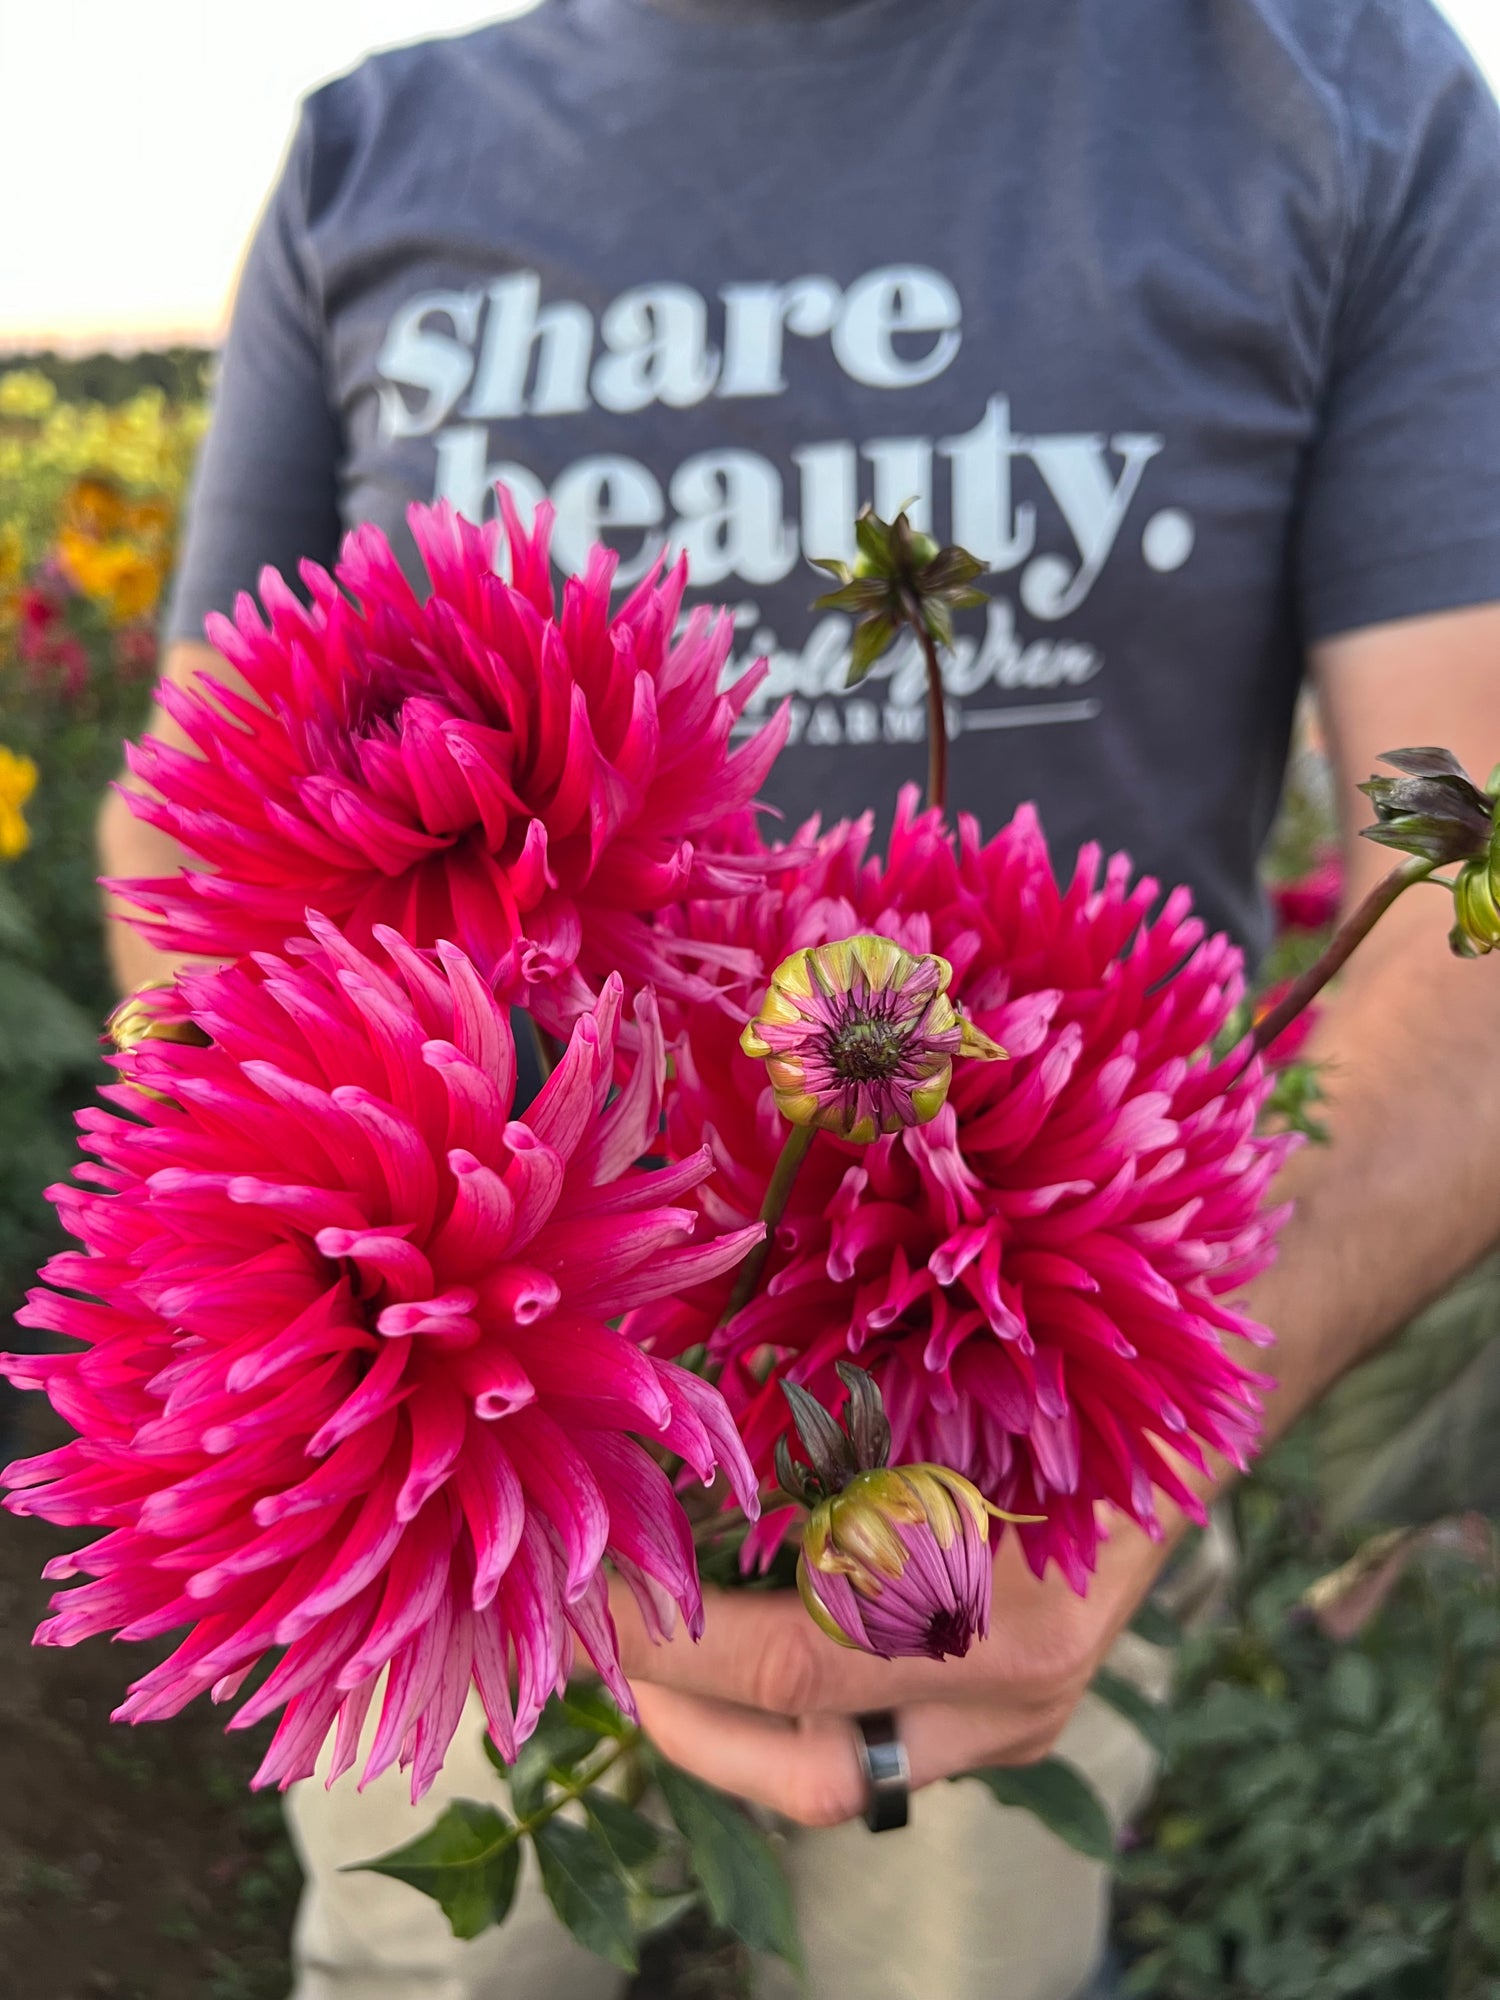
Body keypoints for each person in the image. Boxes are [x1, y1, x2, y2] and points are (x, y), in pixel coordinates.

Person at [99, 1, 1500, 1994]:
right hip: (438, 1456)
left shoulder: (1332, 89)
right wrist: (285, 1214)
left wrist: (1163, 1388)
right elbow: (192, 820)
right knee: (445, 1964)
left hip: (1021, 1455)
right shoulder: (369, 151)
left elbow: (1471, 894)